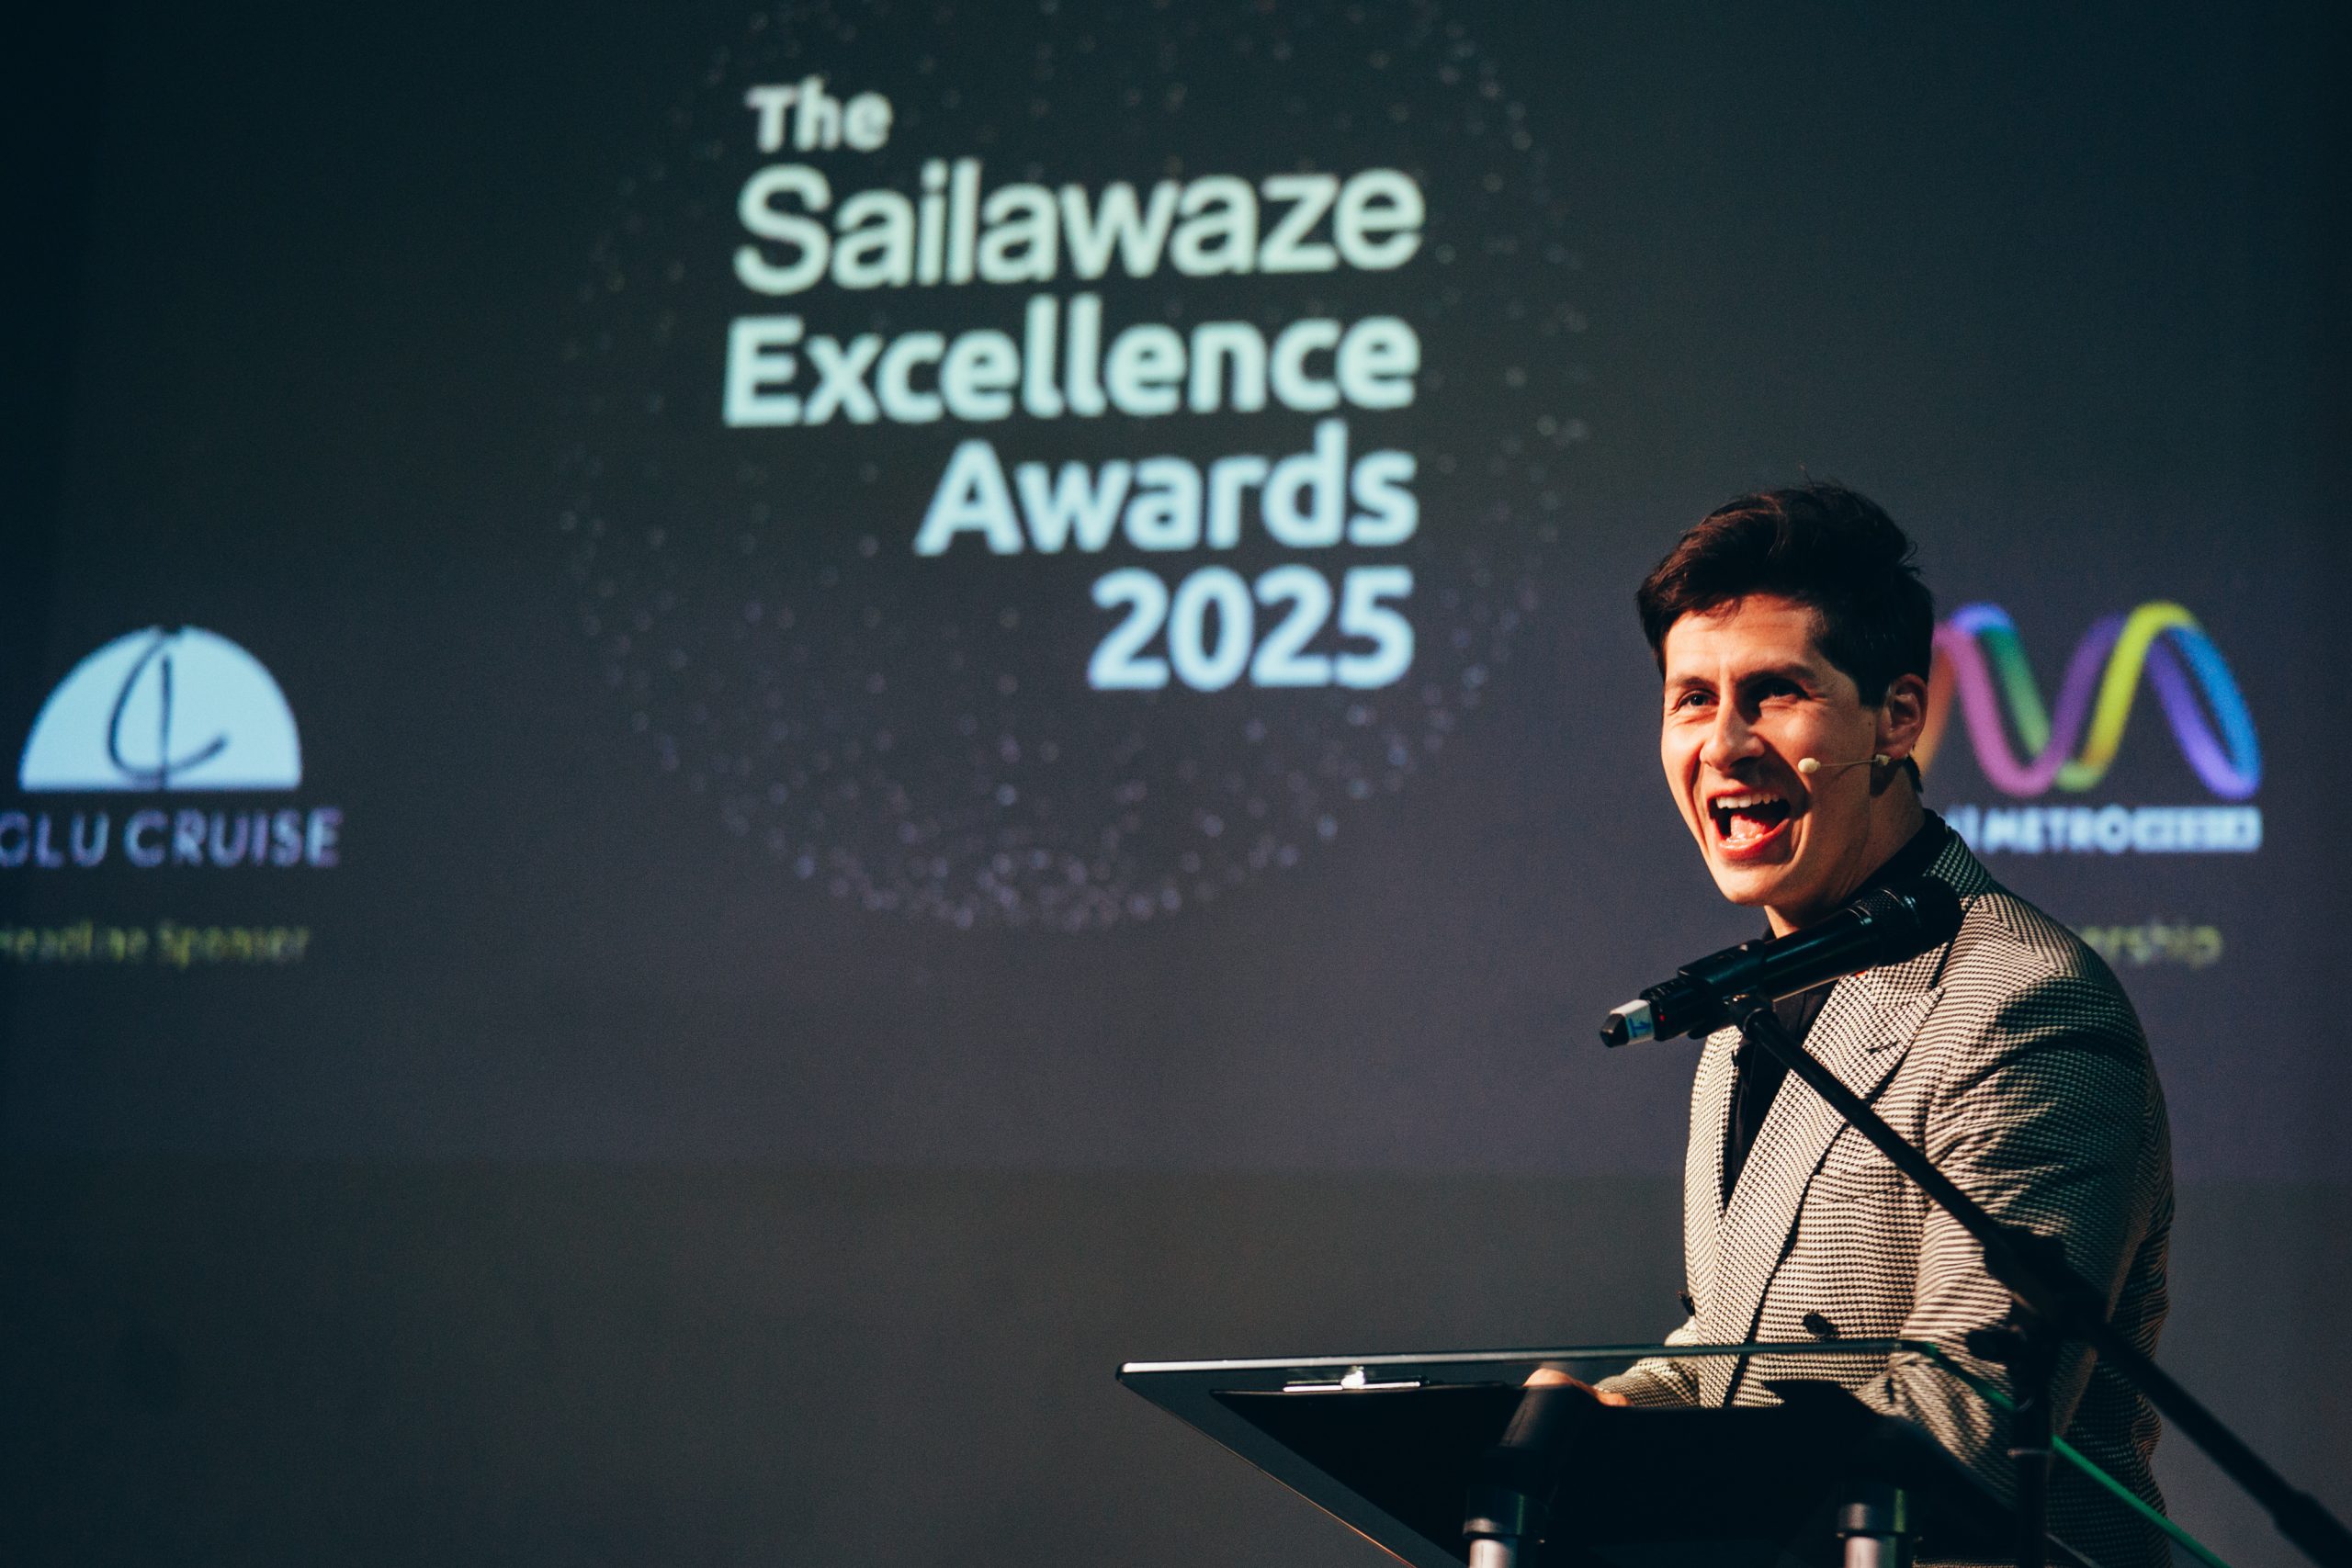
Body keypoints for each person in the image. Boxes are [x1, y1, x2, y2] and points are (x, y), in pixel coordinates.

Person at [1570, 484, 2174, 1565]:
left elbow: (1968, 1426)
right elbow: (1734, 1357)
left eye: (1774, 693)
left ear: (1897, 716)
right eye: (1689, 700)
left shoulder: (2023, 1003)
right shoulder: (1747, 1010)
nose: (1722, 743)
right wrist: (1588, 1424)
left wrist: (1651, 1480)